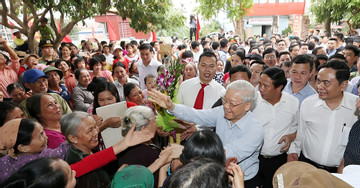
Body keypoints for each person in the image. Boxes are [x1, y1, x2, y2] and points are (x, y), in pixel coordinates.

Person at [148, 80, 264, 187]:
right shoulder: (221, 112)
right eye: (225, 100)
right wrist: (172, 107)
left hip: (244, 181)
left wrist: (186, 151)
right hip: (218, 175)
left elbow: (224, 154)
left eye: (232, 103)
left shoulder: (255, 131)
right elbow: (197, 115)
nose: (226, 106)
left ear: (247, 105)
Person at [0, 117, 155, 182]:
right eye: (40, 135)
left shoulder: (4, 162)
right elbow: (78, 168)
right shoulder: (45, 162)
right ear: (22, 147)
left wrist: (123, 144)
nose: (46, 137)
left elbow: (79, 166)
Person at [288, 60, 358, 173]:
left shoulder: (355, 108)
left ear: (343, 84)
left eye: (326, 82)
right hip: (308, 167)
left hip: (339, 172)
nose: (319, 86)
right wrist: (293, 152)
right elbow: (300, 134)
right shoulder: (308, 104)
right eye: (318, 81)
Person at [252, 67, 299, 188]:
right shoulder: (253, 101)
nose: (261, 89)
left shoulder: (293, 103)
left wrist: (291, 141)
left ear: (279, 88)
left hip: (279, 161)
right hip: (253, 159)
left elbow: (295, 128)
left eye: (266, 86)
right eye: (260, 84)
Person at [117, 106, 161, 187]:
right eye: (154, 122)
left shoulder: (121, 150)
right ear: (143, 129)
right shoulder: (151, 154)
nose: (156, 125)